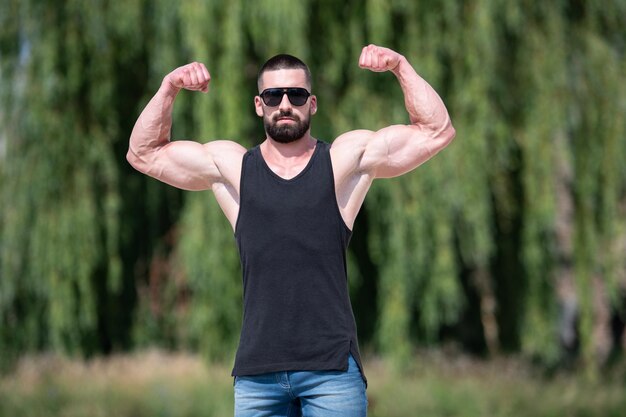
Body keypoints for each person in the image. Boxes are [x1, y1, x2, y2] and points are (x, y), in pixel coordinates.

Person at [127, 44, 455, 417]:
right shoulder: (234, 169)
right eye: (273, 95)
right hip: (257, 376)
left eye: (296, 95)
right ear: (259, 104)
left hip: (331, 373)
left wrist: (400, 66)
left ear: (311, 104)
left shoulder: (341, 163)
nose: (285, 103)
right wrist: (168, 87)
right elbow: (143, 153)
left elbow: (436, 132)